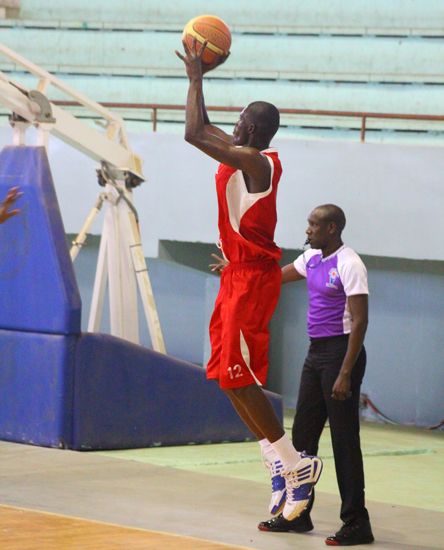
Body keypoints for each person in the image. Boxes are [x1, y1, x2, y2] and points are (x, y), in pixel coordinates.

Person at [175, 39, 322, 521]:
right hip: (239, 273)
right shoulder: (245, 154)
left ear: (253, 128)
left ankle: (298, 464)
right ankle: (277, 461)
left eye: (239, 121)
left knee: (240, 376)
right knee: (227, 377)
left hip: (252, 278)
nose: (233, 125)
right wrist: (234, 260)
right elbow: (205, 130)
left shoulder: (257, 161)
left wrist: (197, 76)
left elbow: (194, 130)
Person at [256, 204, 375, 546]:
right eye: (308, 224)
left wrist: (346, 373)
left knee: (344, 440)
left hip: (341, 355)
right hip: (315, 353)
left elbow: (361, 320)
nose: (307, 230)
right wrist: (237, 272)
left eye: (314, 225)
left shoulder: (350, 263)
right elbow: (273, 277)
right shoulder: (310, 260)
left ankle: (356, 523)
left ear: (332, 228)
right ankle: (298, 514)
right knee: (302, 439)